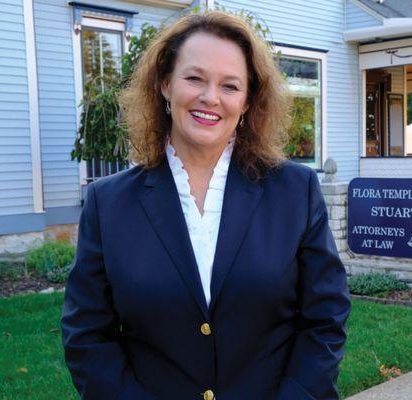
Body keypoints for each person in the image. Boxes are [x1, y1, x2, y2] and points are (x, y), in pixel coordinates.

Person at [62, 10, 350, 400]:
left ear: (248, 100)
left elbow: (326, 319)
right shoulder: (108, 203)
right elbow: (87, 337)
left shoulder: (295, 191)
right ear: (165, 84)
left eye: (230, 86)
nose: (210, 97)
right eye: (194, 78)